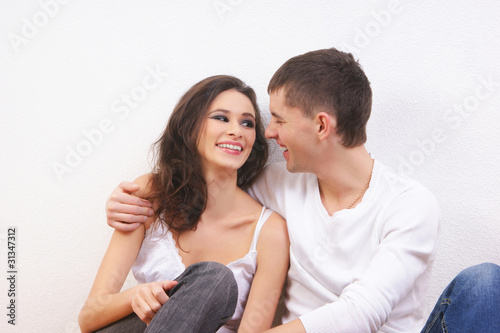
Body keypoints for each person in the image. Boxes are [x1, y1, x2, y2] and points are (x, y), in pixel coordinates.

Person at [104, 49, 500, 332]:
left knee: (485, 284)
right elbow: (206, 179)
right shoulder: (275, 184)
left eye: (277, 119)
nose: (268, 133)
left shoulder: (409, 205)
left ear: (322, 126)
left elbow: (361, 314)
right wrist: (135, 197)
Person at [79, 75, 290, 333]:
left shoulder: (270, 232)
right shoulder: (150, 195)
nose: (237, 130)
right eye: (221, 118)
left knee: (215, 279)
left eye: (247, 123)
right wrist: (136, 296)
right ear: (190, 126)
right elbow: (89, 317)